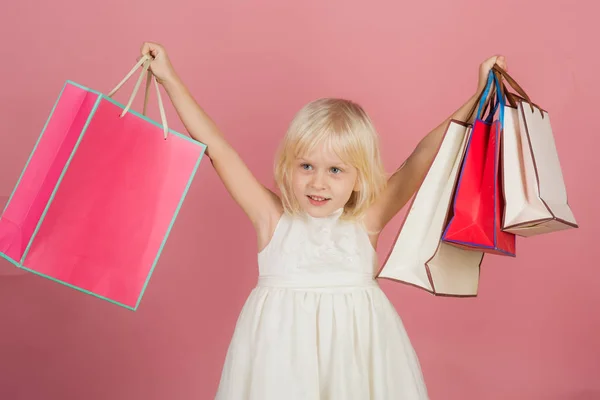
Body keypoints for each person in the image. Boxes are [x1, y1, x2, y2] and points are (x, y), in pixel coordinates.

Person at [139, 41, 507, 399]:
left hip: (357, 362)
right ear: (289, 166)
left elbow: (422, 157)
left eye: (335, 170)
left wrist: (476, 98)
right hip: (279, 365)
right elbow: (217, 148)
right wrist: (169, 77)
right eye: (306, 166)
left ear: (359, 177)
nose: (318, 182)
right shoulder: (271, 218)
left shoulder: (368, 220)